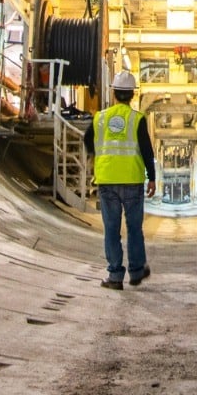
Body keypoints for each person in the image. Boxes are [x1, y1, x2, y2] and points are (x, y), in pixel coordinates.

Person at [83, 70, 156, 289]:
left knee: (111, 229)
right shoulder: (137, 119)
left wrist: (98, 157)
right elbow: (147, 150)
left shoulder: (100, 118)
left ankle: (115, 276)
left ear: (113, 93)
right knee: (134, 228)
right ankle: (136, 271)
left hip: (107, 180)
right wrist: (152, 178)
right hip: (132, 180)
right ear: (133, 95)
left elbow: (87, 140)